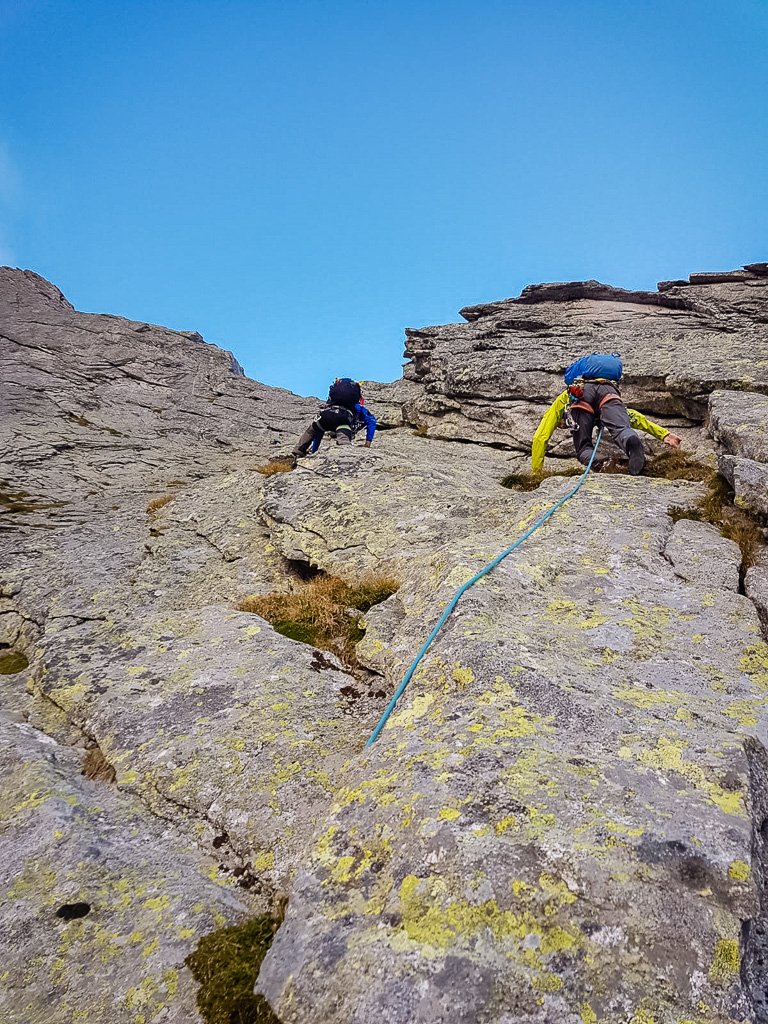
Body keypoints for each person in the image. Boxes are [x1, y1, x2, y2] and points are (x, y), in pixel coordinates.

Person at [531, 352, 680, 475]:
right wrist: (664, 434)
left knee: (583, 449)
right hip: (609, 390)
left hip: (581, 394)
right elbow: (632, 416)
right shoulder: (604, 385)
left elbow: (540, 437)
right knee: (622, 430)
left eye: (562, 424)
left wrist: (536, 474)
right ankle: (631, 440)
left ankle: (604, 464)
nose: (564, 426)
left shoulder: (566, 398)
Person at [292, 378, 377, 460]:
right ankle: (345, 456)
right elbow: (372, 421)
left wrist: (314, 451)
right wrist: (367, 443)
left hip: (325, 417)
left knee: (311, 431)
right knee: (344, 440)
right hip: (343, 420)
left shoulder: (330, 404)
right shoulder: (356, 407)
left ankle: (297, 453)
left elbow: (318, 433)